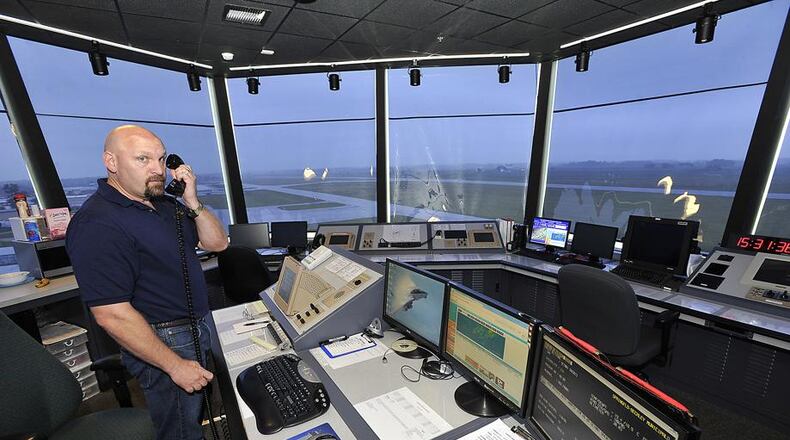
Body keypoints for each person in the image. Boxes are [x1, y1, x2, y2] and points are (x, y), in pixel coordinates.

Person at [66, 125, 228, 440]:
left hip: (196, 325)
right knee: (180, 429)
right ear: (111, 162)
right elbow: (111, 314)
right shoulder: (97, 223)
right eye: (143, 159)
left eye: (160, 159)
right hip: (163, 339)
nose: (157, 170)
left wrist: (192, 201)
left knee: (194, 415)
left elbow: (217, 243)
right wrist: (175, 366)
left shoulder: (165, 204)